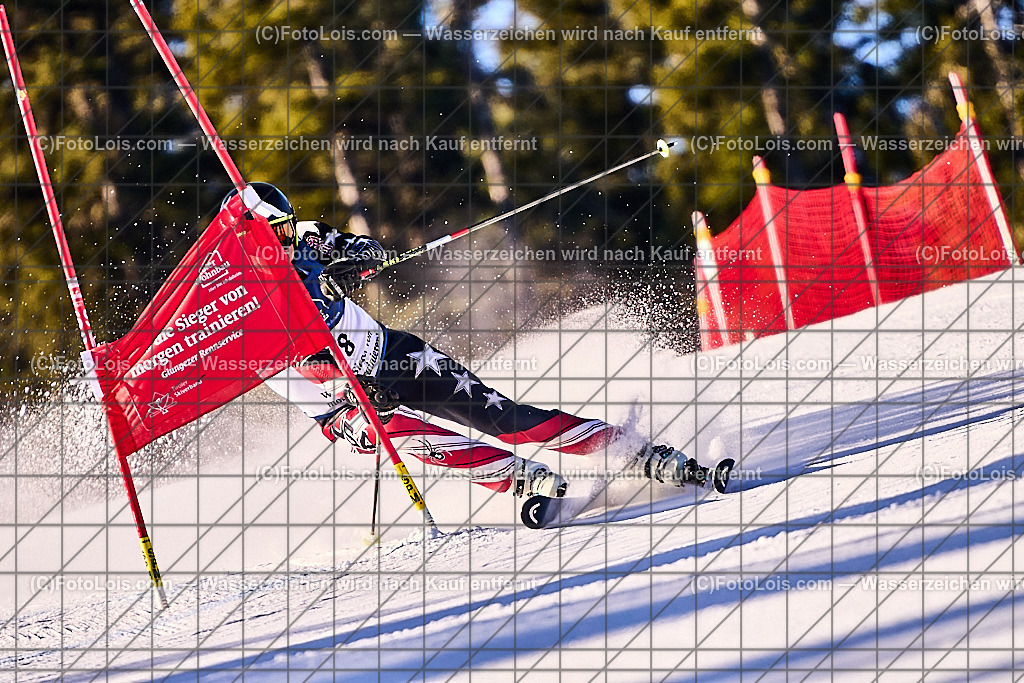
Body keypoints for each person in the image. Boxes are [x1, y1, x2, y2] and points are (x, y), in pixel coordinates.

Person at [232, 182, 713, 498]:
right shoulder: (243, 304)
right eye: (276, 231)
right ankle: (521, 479)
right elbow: (300, 361)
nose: (288, 238)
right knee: (404, 431)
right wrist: (347, 383)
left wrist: (347, 265)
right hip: (343, 405)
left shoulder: (308, 238)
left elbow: (369, 249)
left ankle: (634, 451)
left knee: (502, 415)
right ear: (250, 240)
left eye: (287, 226)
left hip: (391, 354)